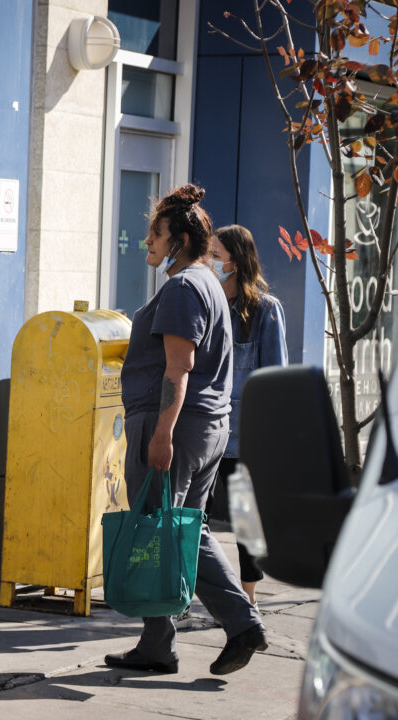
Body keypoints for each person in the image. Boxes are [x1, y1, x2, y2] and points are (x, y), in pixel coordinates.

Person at [105, 184, 268, 676]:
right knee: (181, 530)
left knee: (166, 530)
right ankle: (159, 643)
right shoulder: (208, 284)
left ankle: (241, 624)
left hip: (177, 427)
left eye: (155, 233)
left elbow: (179, 368)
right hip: (207, 426)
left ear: (178, 239)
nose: (147, 240)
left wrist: (162, 434)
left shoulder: (183, 288)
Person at [205, 224, 288, 605]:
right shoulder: (208, 304)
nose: (209, 262)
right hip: (205, 432)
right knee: (194, 517)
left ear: (235, 262)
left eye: (216, 255)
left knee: (245, 521)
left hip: (243, 440)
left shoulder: (265, 311)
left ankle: (248, 597)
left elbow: (275, 381)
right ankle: (191, 594)